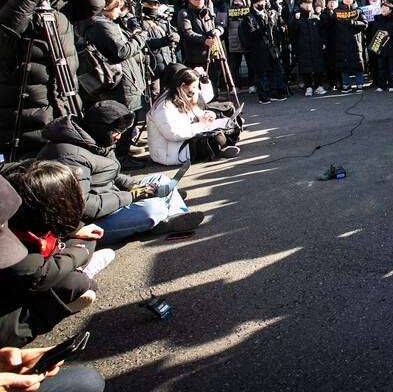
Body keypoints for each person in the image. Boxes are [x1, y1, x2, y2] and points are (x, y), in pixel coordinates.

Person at [36, 100, 201, 244]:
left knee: (160, 179)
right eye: (117, 131)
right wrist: (130, 196)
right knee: (153, 207)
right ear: (103, 128)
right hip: (89, 222)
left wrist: (133, 185)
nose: (119, 136)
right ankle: (164, 211)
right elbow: (85, 206)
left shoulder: (96, 140)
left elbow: (109, 174)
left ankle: (172, 214)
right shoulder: (72, 157)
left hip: (108, 199)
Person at [0, 0, 103, 157]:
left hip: (64, 99)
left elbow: (96, 4)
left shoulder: (59, 7)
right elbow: (10, 28)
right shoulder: (10, 6)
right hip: (26, 112)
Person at [2, 160, 114, 318]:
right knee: (76, 282)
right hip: (19, 289)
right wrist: (78, 254)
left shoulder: (17, 192)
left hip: (36, 264)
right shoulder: (9, 242)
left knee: (89, 238)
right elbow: (38, 275)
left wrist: (74, 230)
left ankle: (78, 271)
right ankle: (80, 275)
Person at [81, 0, 149, 169]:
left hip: (125, 79)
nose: (119, 11)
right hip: (120, 82)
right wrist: (139, 37)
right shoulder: (100, 25)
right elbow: (121, 51)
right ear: (104, 7)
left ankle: (125, 151)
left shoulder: (105, 24)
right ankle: (121, 156)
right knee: (122, 118)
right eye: (116, 7)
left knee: (128, 117)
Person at [147, 67, 240, 164]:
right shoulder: (164, 106)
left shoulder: (182, 96)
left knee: (231, 127)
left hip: (185, 139)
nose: (196, 91)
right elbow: (173, 134)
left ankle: (221, 147)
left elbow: (197, 111)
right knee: (218, 139)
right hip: (171, 151)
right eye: (194, 87)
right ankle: (220, 147)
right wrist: (201, 125)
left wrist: (206, 115)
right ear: (183, 86)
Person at [239, 0, 287, 104]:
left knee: (272, 71)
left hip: (270, 46)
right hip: (258, 48)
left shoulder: (267, 13)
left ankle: (273, 92)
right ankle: (262, 95)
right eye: (260, 2)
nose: (263, 4)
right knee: (260, 73)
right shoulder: (248, 18)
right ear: (254, 4)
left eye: (264, 2)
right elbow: (251, 34)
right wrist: (265, 28)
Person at [176, 0, 223, 94]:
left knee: (213, 78)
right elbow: (186, 32)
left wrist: (218, 30)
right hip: (195, 55)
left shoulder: (209, 12)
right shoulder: (184, 13)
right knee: (197, 80)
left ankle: (214, 97)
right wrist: (204, 40)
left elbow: (219, 24)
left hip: (211, 53)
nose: (200, 0)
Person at [288, 0, 327, 96]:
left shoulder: (315, 17)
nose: (308, 6)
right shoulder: (297, 17)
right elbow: (292, 30)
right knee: (306, 68)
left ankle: (319, 85)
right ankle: (308, 86)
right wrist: (295, 20)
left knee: (318, 66)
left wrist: (323, 42)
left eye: (309, 4)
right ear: (301, 5)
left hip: (316, 45)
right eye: (305, 4)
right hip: (303, 46)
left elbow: (321, 31)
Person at [328, 0, 366, 93]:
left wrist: (353, 23)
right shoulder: (336, 12)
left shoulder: (358, 11)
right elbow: (330, 25)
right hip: (340, 42)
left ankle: (359, 83)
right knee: (342, 64)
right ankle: (346, 84)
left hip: (355, 41)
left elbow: (364, 24)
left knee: (357, 63)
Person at [372, 0, 393, 92]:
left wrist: (389, 33)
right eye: (382, 8)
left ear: (390, 9)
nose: (383, 10)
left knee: (392, 68)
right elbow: (373, 32)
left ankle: (392, 85)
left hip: (392, 46)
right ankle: (382, 85)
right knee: (381, 68)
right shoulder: (377, 19)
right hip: (380, 47)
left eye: (386, 8)